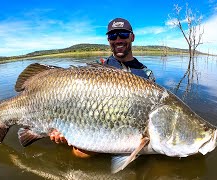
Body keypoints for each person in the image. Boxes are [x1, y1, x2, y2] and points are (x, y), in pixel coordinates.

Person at [49, 17, 155, 157]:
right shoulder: (99, 66)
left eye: (123, 34)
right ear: (109, 40)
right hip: (97, 124)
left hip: (130, 127)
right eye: (112, 36)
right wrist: (65, 128)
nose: (118, 40)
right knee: (81, 153)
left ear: (132, 37)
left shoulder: (146, 75)